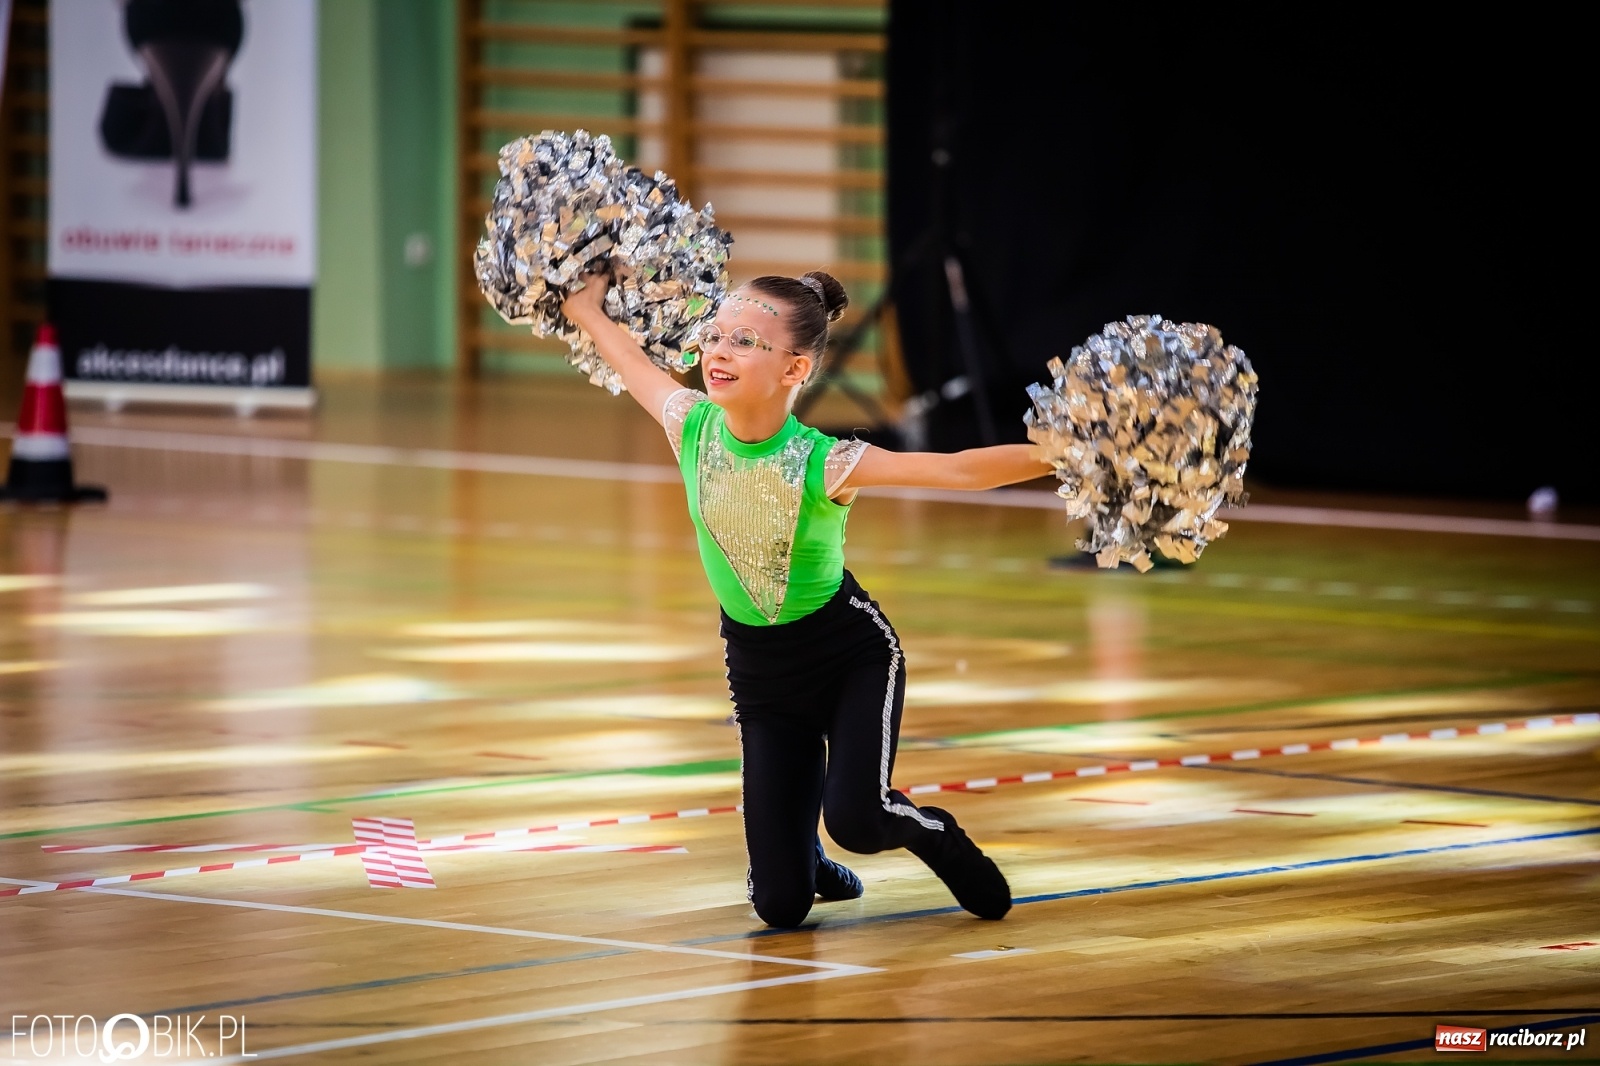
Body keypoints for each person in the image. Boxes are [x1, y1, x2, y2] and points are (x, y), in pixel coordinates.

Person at [561, 267, 1053, 928]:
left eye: (744, 342)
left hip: (850, 659)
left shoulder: (825, 460)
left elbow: (955, 468)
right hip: (763, 683)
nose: (719, 352)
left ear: (795, 369)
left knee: (859, 816)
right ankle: (803, 861)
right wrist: (587, 308)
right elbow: (628, 359)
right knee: (781, 907)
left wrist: (1061, 453)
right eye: (715, 337)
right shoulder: (691, 428)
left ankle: (935, 836)